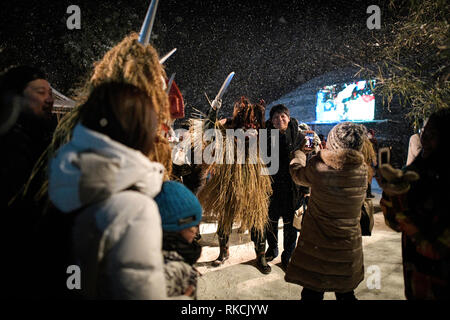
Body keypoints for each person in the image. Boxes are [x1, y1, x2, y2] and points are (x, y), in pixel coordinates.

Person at [48, 82, 188, 299]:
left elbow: (76, 276)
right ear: (136, 129)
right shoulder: (133, 208)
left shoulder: (63, 174)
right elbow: (140, 291)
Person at [285, 122, 368, 300]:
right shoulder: (362, 170)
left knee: (312, 293)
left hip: (318, 244)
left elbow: (297, 175)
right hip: (347, 244)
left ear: (333, 142)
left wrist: (300, 154)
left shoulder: (319, 166)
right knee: (346, 294)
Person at [378, 108, 450, 300]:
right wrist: (391, 194)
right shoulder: (416, 174)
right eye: (424, 132)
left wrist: (406, 218)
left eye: (433, 135)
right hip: (416, 280)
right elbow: (393, 223)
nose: (424, 139)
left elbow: (437, 250)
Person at [197, 96, 273, 274]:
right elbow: (208, 129)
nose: (249, 127)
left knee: (257, 217)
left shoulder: (262, 128)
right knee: (225, 216)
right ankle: (223, 253)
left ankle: (260, 255)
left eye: (253, 123)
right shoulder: (228, 125)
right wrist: (213, 111)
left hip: (254, 177)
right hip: (229, 176)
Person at [0, 65, 57, 297]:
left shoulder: (42, 137)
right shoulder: (10, 144)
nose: (49, 99)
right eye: (40, 92)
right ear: (13, 98)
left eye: (50, 93)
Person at [264, 104, 305, 271]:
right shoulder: (265, 136)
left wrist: (306, 190)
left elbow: (305, 162)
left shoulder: (300, 137)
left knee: (291, 225)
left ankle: (288, 255)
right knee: (270, 222)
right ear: (271, 120)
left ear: (288, 118)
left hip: (292, 188)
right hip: (271, 187)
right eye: (275, 117)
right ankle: (272, 248)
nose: (279, 119)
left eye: (282, 116)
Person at [155, 180, 203, 299]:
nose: (195, 231)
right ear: (177, 228)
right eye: (193, 226)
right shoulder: (171, 270)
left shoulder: (172, 255)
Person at [361, 133, 377, 198]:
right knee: (367, 179)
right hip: (365, 163)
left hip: (365, 164)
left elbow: (372, 153)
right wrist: (374, 161)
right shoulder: (366, 143)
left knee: (367, 179)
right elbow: (372, 153)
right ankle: (367, 193)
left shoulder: (367, 143)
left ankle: (367, 193)